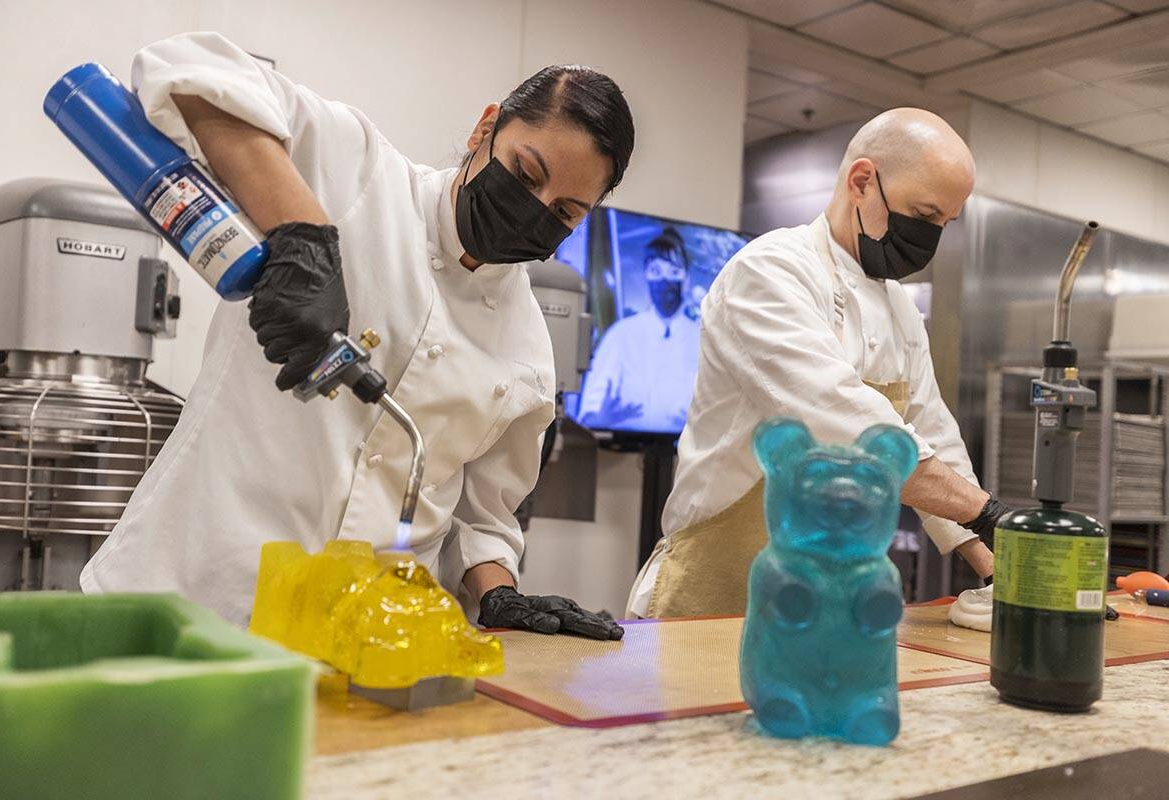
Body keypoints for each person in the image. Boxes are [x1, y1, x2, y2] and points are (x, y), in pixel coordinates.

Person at [80, 32, 634, 640]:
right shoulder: (358, 172)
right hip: (194, 596)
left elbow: (483, 515)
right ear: (486, 129)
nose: (535, 209)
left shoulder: (528, 346)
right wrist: (303, 234)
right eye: (525, 174)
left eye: (564, 213)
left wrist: (500, 594)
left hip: (362, 645)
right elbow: (186, 64)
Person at [628, 108, 1007, 619]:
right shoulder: (770, 272)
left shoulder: (899, 308)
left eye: (945, 222)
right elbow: (853, 428)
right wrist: (986, 513)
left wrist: (998, 569)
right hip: (714, 597)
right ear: (861, 182)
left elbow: (930, 431)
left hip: (819, 610)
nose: (932, 237)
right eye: (924, 214)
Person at [577, 227, 701, 432]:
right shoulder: (620, 335)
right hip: (619, 455)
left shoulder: (703, 340)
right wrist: (601, 418)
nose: (664, 280)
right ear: (646, 276)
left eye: (673, 272)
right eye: (656, 271)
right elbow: (588, 413)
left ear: (686, 279)